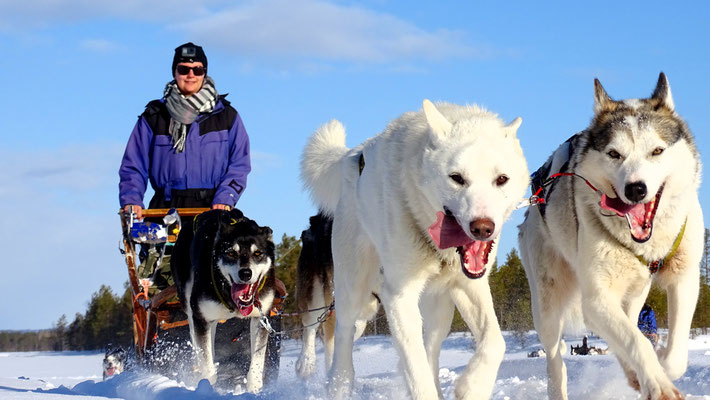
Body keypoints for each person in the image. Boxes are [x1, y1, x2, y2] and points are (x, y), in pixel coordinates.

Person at [119, 42, 251, 290]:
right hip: (165, 212)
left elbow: (239, 164)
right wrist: (131, 200)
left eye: (197, 69)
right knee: (159, 280)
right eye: (184, 69)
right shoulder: (154, 116)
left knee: (221, 273)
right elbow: (132, 166)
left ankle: (229, 320)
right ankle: (161, 322)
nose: (191, 74)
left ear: (205, 72)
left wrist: (226, 197)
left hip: (211, 209)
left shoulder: (227, 117)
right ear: (175, 72)